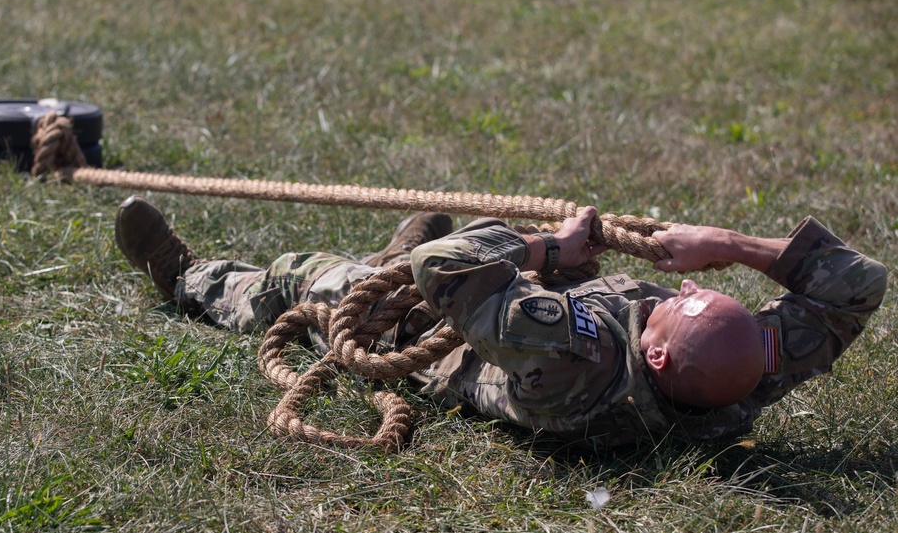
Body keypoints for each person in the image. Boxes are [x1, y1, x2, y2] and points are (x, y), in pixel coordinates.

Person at [114, 195, 887, 448]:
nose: (674, 290)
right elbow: (857, 285)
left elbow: (444, 268)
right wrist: (729, 246)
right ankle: (393, 254)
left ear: (652, 356)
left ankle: (190, 278)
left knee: (308, 275)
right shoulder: (742, 373)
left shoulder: (578, 354)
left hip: (438, 341)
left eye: (670, 307)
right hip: (505, 313)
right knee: (447, 254)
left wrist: (553, 249)